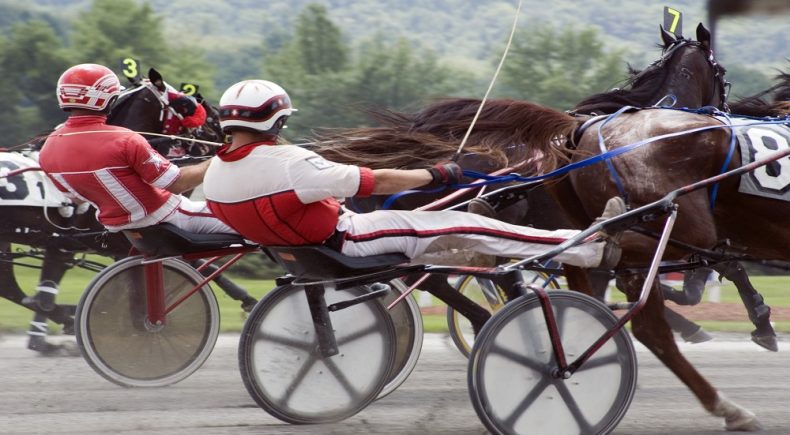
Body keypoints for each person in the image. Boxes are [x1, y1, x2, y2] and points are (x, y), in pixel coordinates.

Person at [202, 79, 626, 269]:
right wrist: (437, 174)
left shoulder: (216, 172)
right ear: (277, 122)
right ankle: (583, 247)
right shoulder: (291, 163)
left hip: (305, 249)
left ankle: (470, 254)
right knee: (466, 221)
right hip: (348, 239)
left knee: (447, 231)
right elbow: (377, 181)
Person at [38, 63, 232, 235]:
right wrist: (223, 155)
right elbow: (177, 183)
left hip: (119, 227)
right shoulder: (125, 139)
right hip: (168, 217)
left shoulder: (47, 149)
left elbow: (77, 199)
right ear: (110, 100)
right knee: (257, 224)